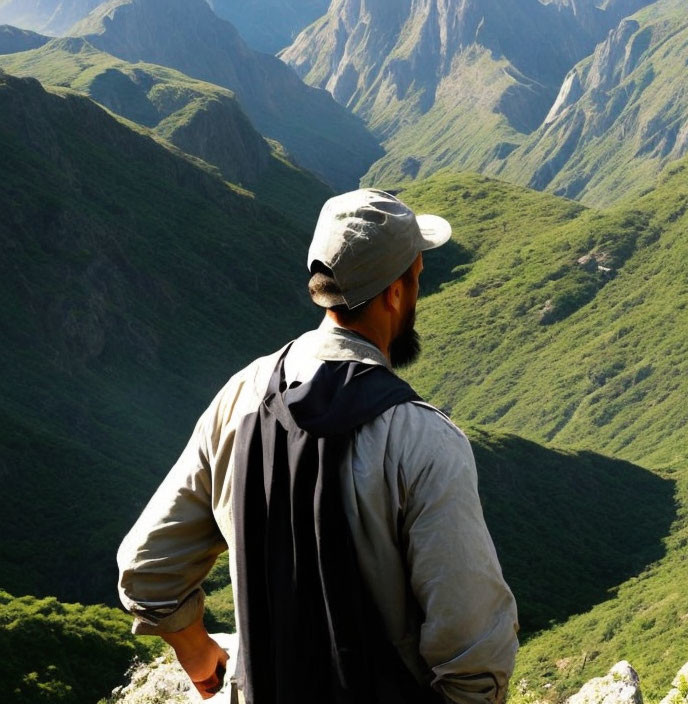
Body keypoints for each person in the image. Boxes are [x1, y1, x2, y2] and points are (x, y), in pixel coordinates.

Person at [117, 188, 519, 703]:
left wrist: (195, 650)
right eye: (417, 276)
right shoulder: (424, 441)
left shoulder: (241, 397)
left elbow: (148, 568)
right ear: (396, 292)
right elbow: (474, 651)